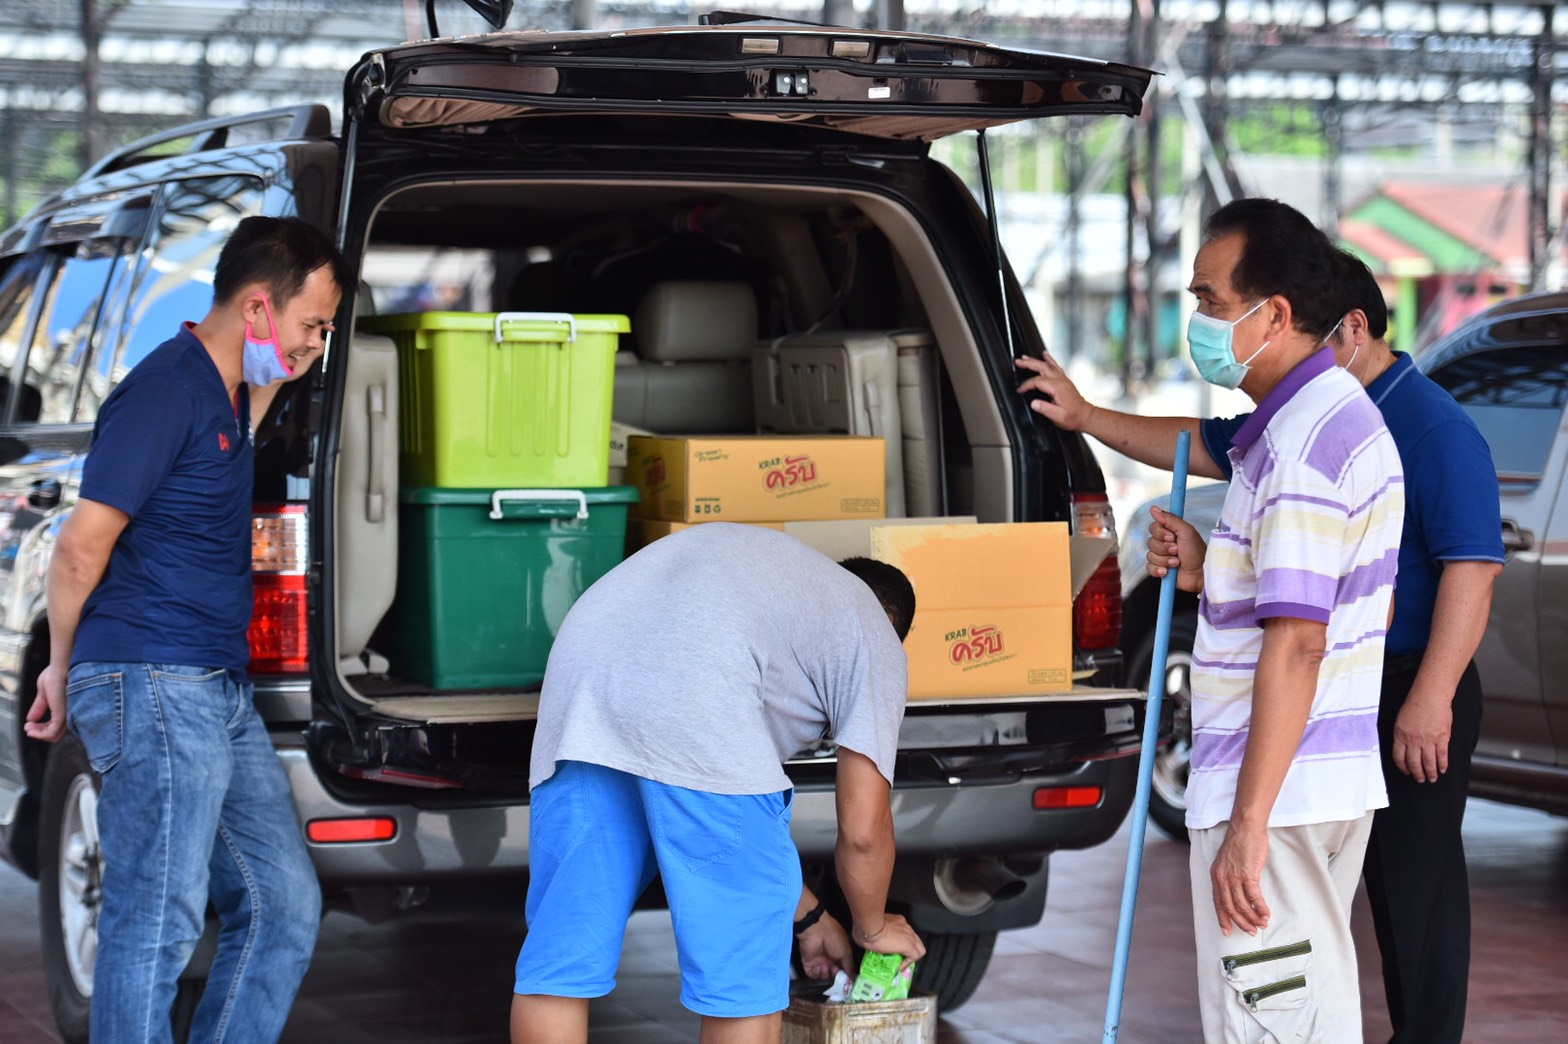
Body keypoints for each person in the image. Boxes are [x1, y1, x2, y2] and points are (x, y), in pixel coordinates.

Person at [1017, 249, 1502, 1043]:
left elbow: (1471, 571)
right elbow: (1204, 444)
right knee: (1321, 925)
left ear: (1347, 328)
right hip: (1331, 689)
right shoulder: (1298, 420)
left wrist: (1431, 695)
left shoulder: (1417, 427)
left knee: (1413, 897)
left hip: (1402, 682)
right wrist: (1088, 417)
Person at [24, 216, 349, 1042]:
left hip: (215, 689)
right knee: (156, 923)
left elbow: (256, 401)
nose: (318, 345)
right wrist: (61, 667)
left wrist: (289, 359)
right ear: (256, 308)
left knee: (282, 905)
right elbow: (80, 547)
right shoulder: (165, 392)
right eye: (313, 325)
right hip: (152, 679)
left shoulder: (233, 387)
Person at [1119, 198, 1403, 1039]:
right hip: (1313, 781)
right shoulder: (1324, 423)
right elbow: (1334, 601)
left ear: (1273, 314)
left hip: (1277, 794)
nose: (1199, 320)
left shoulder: (1301, 448)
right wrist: (1214, 571)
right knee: (1302, 1014)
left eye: (1210, 300)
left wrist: (1249, 824)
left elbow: (1300, 645)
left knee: (1272, 1026)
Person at [511, 522, 926, 1044]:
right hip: (696, 694)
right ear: (893, 623)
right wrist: (873, 926)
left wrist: (810, 917)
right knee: (743, 988)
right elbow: (864, 829)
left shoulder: (784, 588)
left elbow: (722, 824)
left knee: (558, 967)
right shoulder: (873, 631)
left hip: (581, 692)